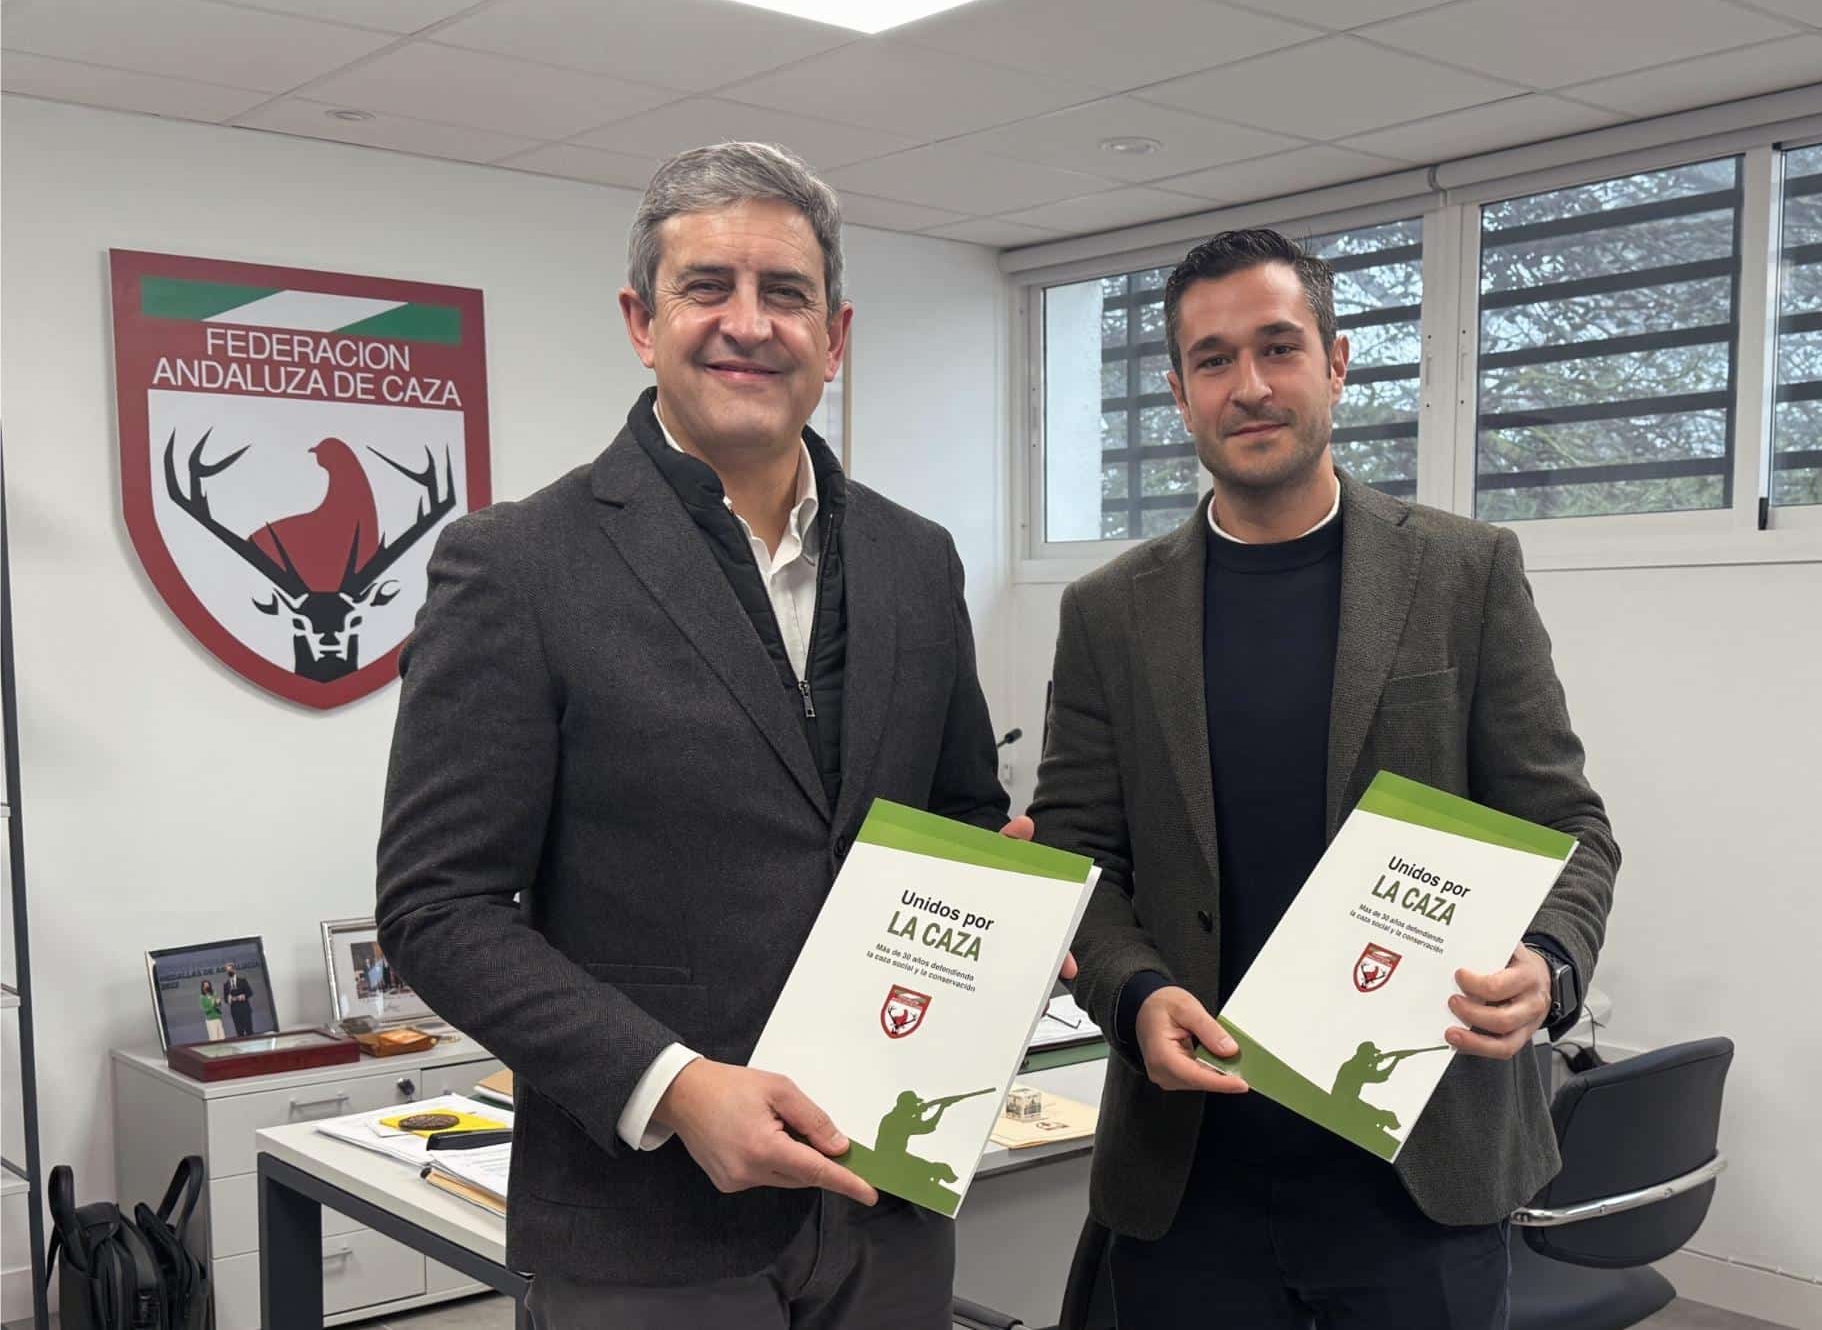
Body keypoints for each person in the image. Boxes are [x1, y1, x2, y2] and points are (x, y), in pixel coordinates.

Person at [377, 141, 1048, 1330]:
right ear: (642, 322)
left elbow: (955, 811)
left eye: (785, 292)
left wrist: (999, 901)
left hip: (885, 1201)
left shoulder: (915, 559)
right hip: (647, 1228)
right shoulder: (518, 564)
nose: (749, 322)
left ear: (834, 337)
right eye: (707, 287)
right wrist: (674, 1085)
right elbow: (438, 905)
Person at [1029, 228, 1620, 1329]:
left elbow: (1567, 824)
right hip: (1191, 1173)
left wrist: (1547, 963)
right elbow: (1076, 857)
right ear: (1178, 393)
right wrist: (1134, 990)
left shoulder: (1464, 572)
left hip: (1419, 1168)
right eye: (1213, 360)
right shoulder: (1108, 612)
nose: (1249, 386)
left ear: (1335, 363)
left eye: (1277, 347)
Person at [220, 962, 255, 1038]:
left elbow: (250, 992)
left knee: (249, 1031)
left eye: (230, 970)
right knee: (239, 1032)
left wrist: (243, 996)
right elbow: (225, 999)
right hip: (235, 1010)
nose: (229, 972)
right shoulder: (226, 984)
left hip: (245, 1008)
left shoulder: (242, 981)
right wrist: (228, 999)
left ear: (234, 970)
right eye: (227, 970)